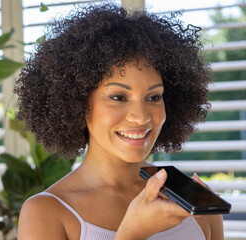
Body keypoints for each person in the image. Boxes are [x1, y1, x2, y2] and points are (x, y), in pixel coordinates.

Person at [14, 3, 224, 240]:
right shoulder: (47, 212)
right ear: (78, 101)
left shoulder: (193, 202)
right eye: (118, 97)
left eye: (153, 97)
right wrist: (132, 233)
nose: (141, 116)